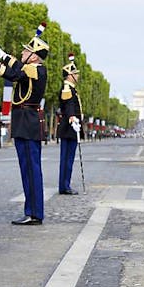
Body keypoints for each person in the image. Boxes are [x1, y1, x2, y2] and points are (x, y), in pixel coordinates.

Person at [0, 23, 49, 225]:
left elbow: (14, 73)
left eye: (26, 50)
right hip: (24, 122)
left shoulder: (37, 70)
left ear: (34, 56)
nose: (22, 52)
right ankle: (31, 211)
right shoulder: (29, 69)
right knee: (26, 169)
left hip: (29, 123)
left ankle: (34, 213)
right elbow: (16, 70)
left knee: (31, 169)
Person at [57, 54, 82, 195]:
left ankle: (64, 184)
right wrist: (72, 117)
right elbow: (69, 105)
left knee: (67, 158)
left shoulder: (71, 88)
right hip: (69, 128)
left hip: (70, 128)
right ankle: (65, 185)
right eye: (75, 74)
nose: (77, 76)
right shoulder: (67, 88)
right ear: (70, 75)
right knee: (67, 158)